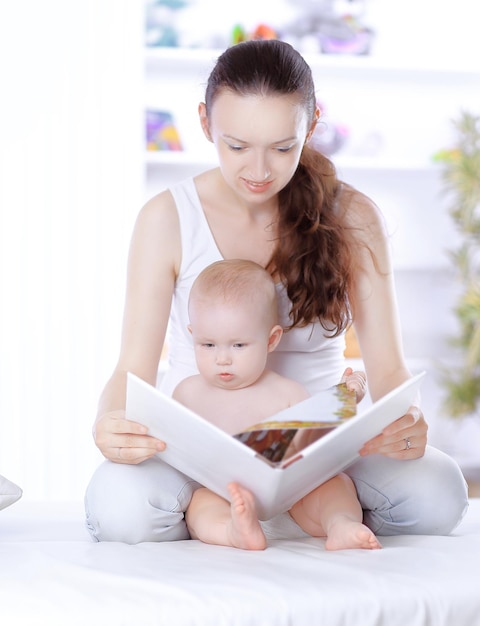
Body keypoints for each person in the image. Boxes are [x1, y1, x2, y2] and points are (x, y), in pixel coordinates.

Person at [85, 39, 468, 544]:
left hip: (316, 446)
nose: (259, 172)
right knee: (120, 510)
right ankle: (238, 512)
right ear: (205, 124)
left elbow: (389, 370)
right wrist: (109, 423)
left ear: (310, 125)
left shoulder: (352, 216)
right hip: (204, 441)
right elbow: (131, 368)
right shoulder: (167, 217)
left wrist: (407, 422)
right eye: (237, 146)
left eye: (283, 147)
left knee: (440, 493)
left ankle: (315, 507)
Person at [174, 258, 380, 551]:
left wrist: (346, 398)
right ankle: (233, 532)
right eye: (208, 345)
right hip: (227, 497)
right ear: (192, 336)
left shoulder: (285, 392)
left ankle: (340, 524)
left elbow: (317, 436)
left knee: (336, 484)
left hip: (292, 501)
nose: (222, 358)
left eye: (239, 345)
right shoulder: (187, 394)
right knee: (199, 504)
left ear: (270, 340)